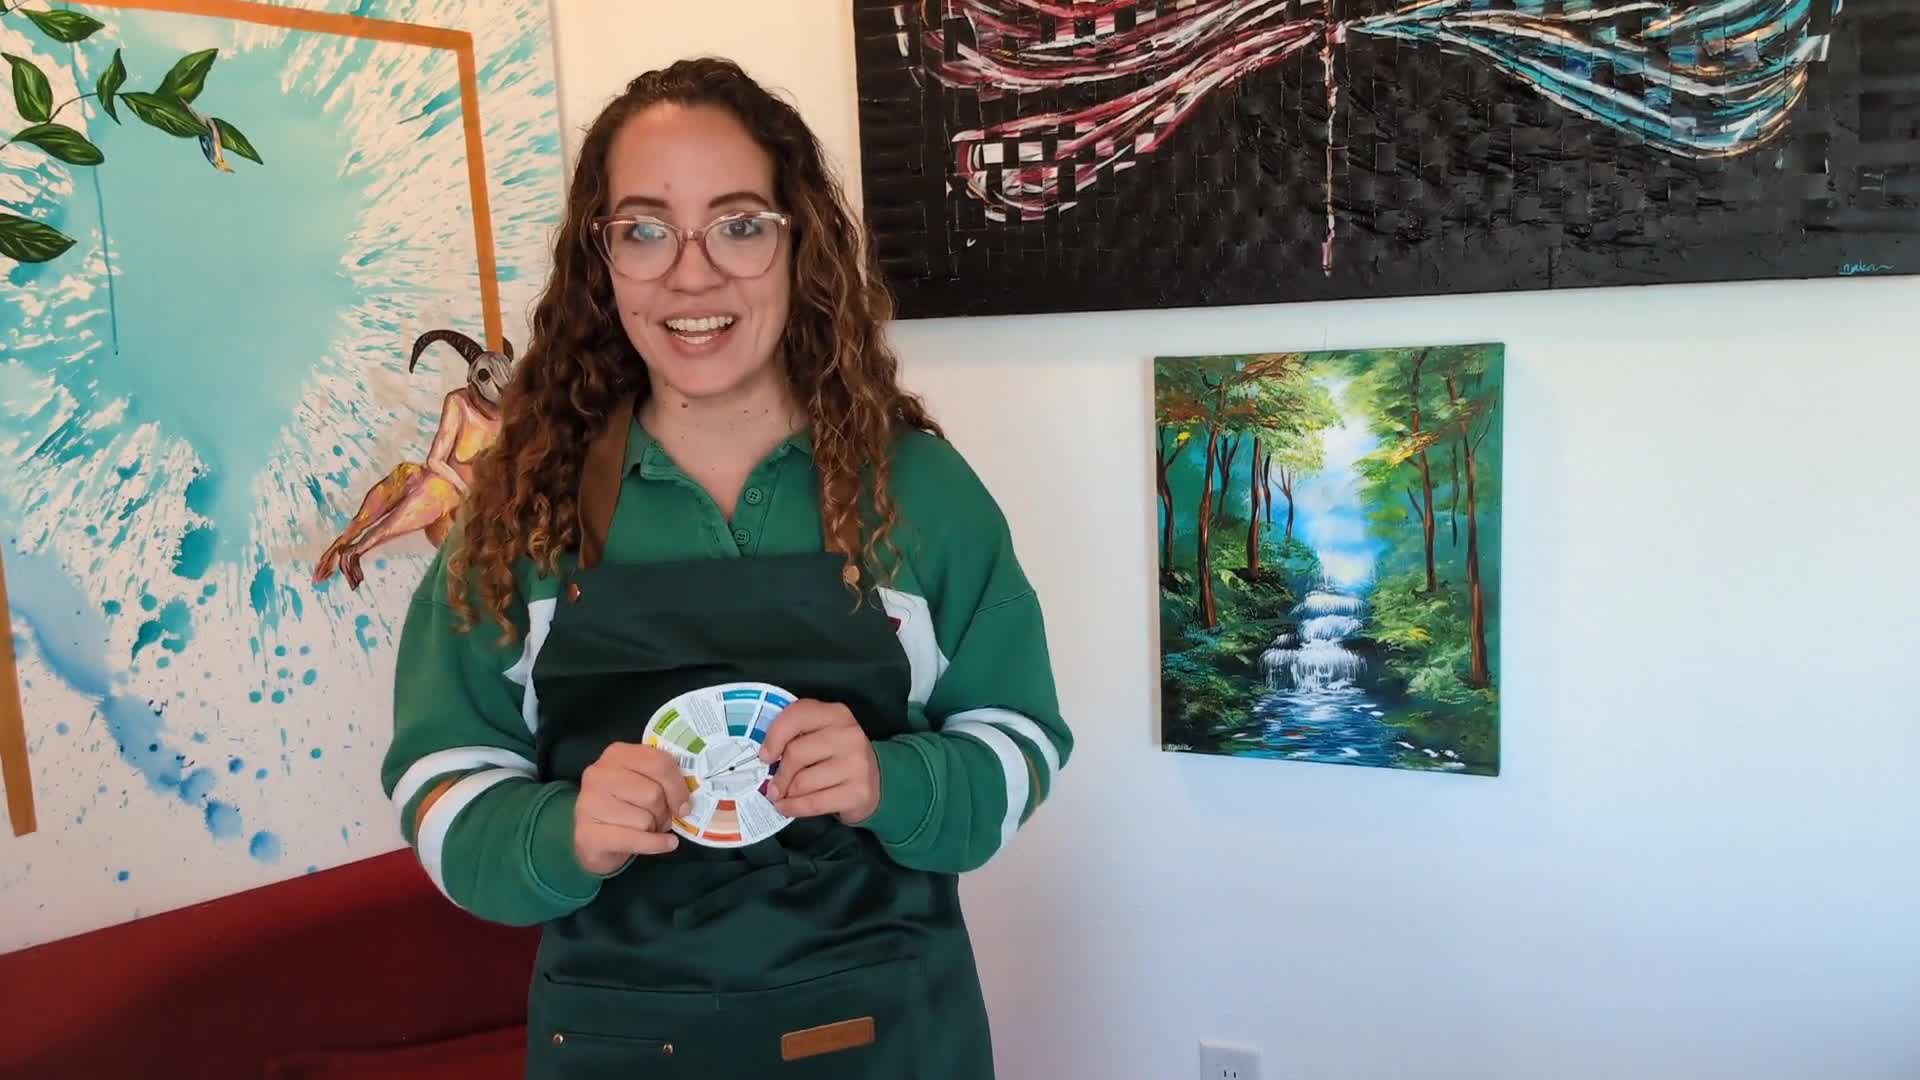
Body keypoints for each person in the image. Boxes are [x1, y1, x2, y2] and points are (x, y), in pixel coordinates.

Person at [380, 57, 1070, 1078]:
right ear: (601, 259)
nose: (691, 275)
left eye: (739, 224)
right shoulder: (523, 510)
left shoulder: (920, 492)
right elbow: (437, 782)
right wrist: (561, 834)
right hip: (623, 1045)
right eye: (645, 229)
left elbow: (1021, 743)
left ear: (801, 246)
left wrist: (893, 778)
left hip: (883, 1036)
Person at [313, 328, 514, 589]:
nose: (489, 405)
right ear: (473, 382)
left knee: (438, 491)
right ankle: (343, 547)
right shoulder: (459, 401)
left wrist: (470, 494)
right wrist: (461, 487)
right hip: (441, 486)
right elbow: (435, 460)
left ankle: (356, 549)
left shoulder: (510, 419)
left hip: (461, 511)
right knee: (414, 477)